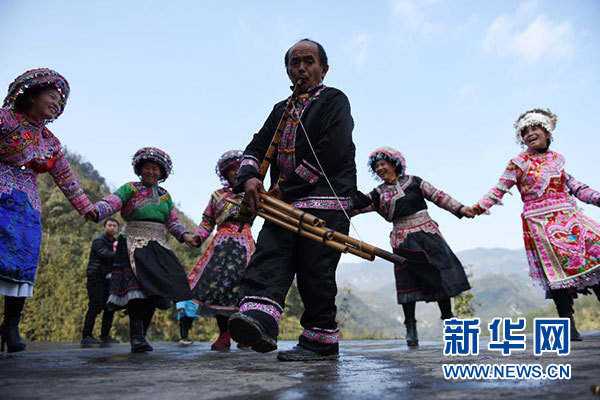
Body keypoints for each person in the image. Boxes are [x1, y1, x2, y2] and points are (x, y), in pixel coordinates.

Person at [228, 39, 356, 361]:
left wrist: (287, 186)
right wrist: (250, 177)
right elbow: (257, 146)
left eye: (308, 61)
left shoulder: (335, 100)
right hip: (282, 205)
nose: (301, 68)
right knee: (268, 255)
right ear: (287, 70)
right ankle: (259, 322)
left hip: (324, 203)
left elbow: (332, 149)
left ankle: (320, 342)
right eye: (294, 63)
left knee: (315, 271)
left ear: (323, 69)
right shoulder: (280, 109)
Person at [468, 109, 600, 341]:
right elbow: (499, 189)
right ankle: (567, 323)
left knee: (597, 258)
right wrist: (476, 208)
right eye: (524, 132)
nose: (529, 134)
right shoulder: (518, 164)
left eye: (534, 128)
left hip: (571, 218)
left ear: (547, 133)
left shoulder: (557, 161)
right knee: (557, 274)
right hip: (541, 224)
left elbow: (577, 187)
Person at [0, 69, 97, 353]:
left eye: (60, 101)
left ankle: (11, 325)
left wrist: (86, 207)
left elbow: (66, 177)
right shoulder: (5, 119)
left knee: (23, 258)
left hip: (27, 206)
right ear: (32, 95)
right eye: (52, 96)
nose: (57, 103)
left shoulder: (50, 142)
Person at [352, 147, 473, 346]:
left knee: (438, 277)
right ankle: (411, 328)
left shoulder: (414, 182)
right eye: (376, 167)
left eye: (383, 164)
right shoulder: (377, 194)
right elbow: (355, 208)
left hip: (428, 236)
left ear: (394, 164)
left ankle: (449, 321)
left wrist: (460, 209)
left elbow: (439, 196)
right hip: (402, 241)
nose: (379, 168)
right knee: (406, 282)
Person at [93, 147, 194, 352]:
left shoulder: (165, 196)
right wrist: (96, 211)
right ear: (140, 169)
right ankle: (136, 336)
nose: (151, 172)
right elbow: (112, 202)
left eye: (155, 169)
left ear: (162, 173)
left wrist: (185, 236)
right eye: (147, 167)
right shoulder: (130, 188)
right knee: (137, 291)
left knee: (156, 291)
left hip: (158, 244)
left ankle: (142, 335)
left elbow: (173, 222)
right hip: (132, 243)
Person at [187, 150, 255, 350]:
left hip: (246, 245)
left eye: (239, 169)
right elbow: (207, 221)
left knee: (246, 288)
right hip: (221, 247)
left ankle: (245, 335)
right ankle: (224, 335)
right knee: (219, 289)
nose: (236, 173)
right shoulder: (217, 196)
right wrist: (198, 237)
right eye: (232, 170)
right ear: (225, 173)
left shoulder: (253, 193)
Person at [81, 218, 120, 345]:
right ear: (104, 227)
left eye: (114, 226)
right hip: (96, 277)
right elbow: (106, 254)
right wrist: (121, 254)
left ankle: (105, 335)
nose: (112, 228)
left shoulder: (116, 242)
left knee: (110, 307)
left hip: (110, 279)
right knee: (95, 305)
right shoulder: (99, 241)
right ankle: (87, 335)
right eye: (109, 225)